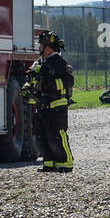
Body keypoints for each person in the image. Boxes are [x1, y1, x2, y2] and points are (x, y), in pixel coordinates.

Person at [22, 31, 74, 173]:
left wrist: (47, 84)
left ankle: (66, 163)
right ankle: (49, 163)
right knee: (42, 136)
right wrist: (26, 88)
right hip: (42, 107)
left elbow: (69, 81)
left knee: (57, 135)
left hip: (57, 106)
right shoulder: (39, 63)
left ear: (49, 47)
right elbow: (31, 79)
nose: (39, 48)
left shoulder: (59, 63)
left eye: (41, 45)